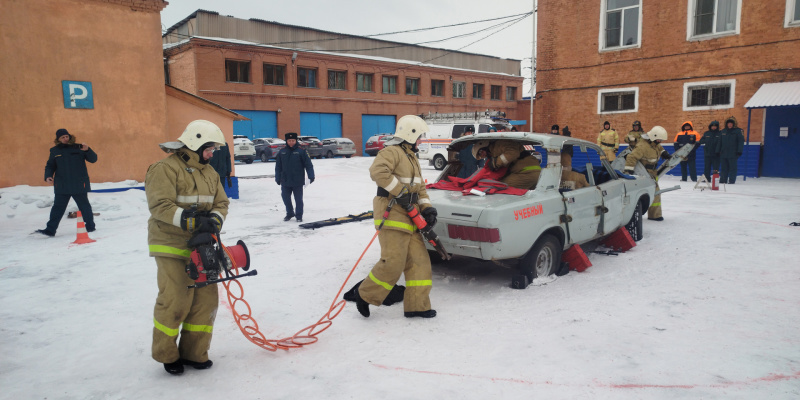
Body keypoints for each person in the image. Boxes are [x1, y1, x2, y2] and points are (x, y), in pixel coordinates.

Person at [145, 120, 229, 375]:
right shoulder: (164, 169)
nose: (212, 153)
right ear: (196, 143)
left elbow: (222, 203)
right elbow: (160, 205)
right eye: (210, 148)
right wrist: (191, 220)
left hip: (203, 246)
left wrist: (213, 221)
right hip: (171, 244)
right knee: (176, 299)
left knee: (205, 300)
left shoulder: (209, 172)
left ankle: (195, 353)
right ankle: (167, 354)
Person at [354, 115, 438, 319]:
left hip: (412, 217)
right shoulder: (391, 151)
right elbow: (378, 172)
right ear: (410, 135)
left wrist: (427, 208)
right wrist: (400, 191)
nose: (421, 141)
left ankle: (417, 306)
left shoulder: (412, 158)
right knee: (393, 263)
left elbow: (421, 189)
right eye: (419, 136)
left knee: (420, 263)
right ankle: (364, 295)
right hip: (392, 215)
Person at [36, 129, 98, 237]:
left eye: (66, 136)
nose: (65, 139)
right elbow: (50, 165)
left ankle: (90, 227)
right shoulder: (55, 151)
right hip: (62, 185)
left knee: (84, 207)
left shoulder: (79, 147)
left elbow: (93, 159)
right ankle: (50, 230)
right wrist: (48, 176)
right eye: (62, 137)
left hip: (78, 183)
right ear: (58, 139)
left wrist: (88, 150)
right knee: (57, 208)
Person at [624, 126, 672, 221]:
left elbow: (659, 147)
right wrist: (628, 172)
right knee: (653, 193)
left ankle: (655, 215)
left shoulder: (654, 143)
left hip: (652, 173)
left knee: (655, 193)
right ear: (653, 137)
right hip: (644, 174)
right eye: (659, 139)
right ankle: (653, 216)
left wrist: (664, 153)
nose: (660, 141)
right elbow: (631, 157)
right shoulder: (642, 146)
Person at [472, 139, 543, 190]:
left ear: (484, 145)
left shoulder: (499, 144)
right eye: (480, 156)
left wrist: (496, 162)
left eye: (481, 152)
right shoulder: (493, 152)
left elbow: (513, 153)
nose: (482, 155)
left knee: (500, 187)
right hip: (527, 172)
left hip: (526, 172)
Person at [275, 132, 315, 222]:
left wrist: (311, 176)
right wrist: (277, 177)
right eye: (289, 141)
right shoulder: (282, 152)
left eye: (293, 140)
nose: (291, 142)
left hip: (298, 180)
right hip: (285, 180)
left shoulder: (301, 151)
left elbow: (308, 165)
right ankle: (289, 213)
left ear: (296, 140)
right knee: (285, 198)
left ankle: (299, 216)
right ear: (286, 141)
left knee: (298, 200)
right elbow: (278, 166)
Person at [716, 116, 744, 184]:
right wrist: (717, 150)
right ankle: (723, 180)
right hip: (723, 153)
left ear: (734, 124)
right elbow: (719, 142)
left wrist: (739, 151)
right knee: (724, 168)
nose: (730, 125)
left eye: (731, 123)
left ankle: (731, 181)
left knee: (732, 168)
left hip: (733, 153)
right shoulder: (723, 131)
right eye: (728, 123)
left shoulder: (738, 131)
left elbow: (741, 141)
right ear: (726, 124)